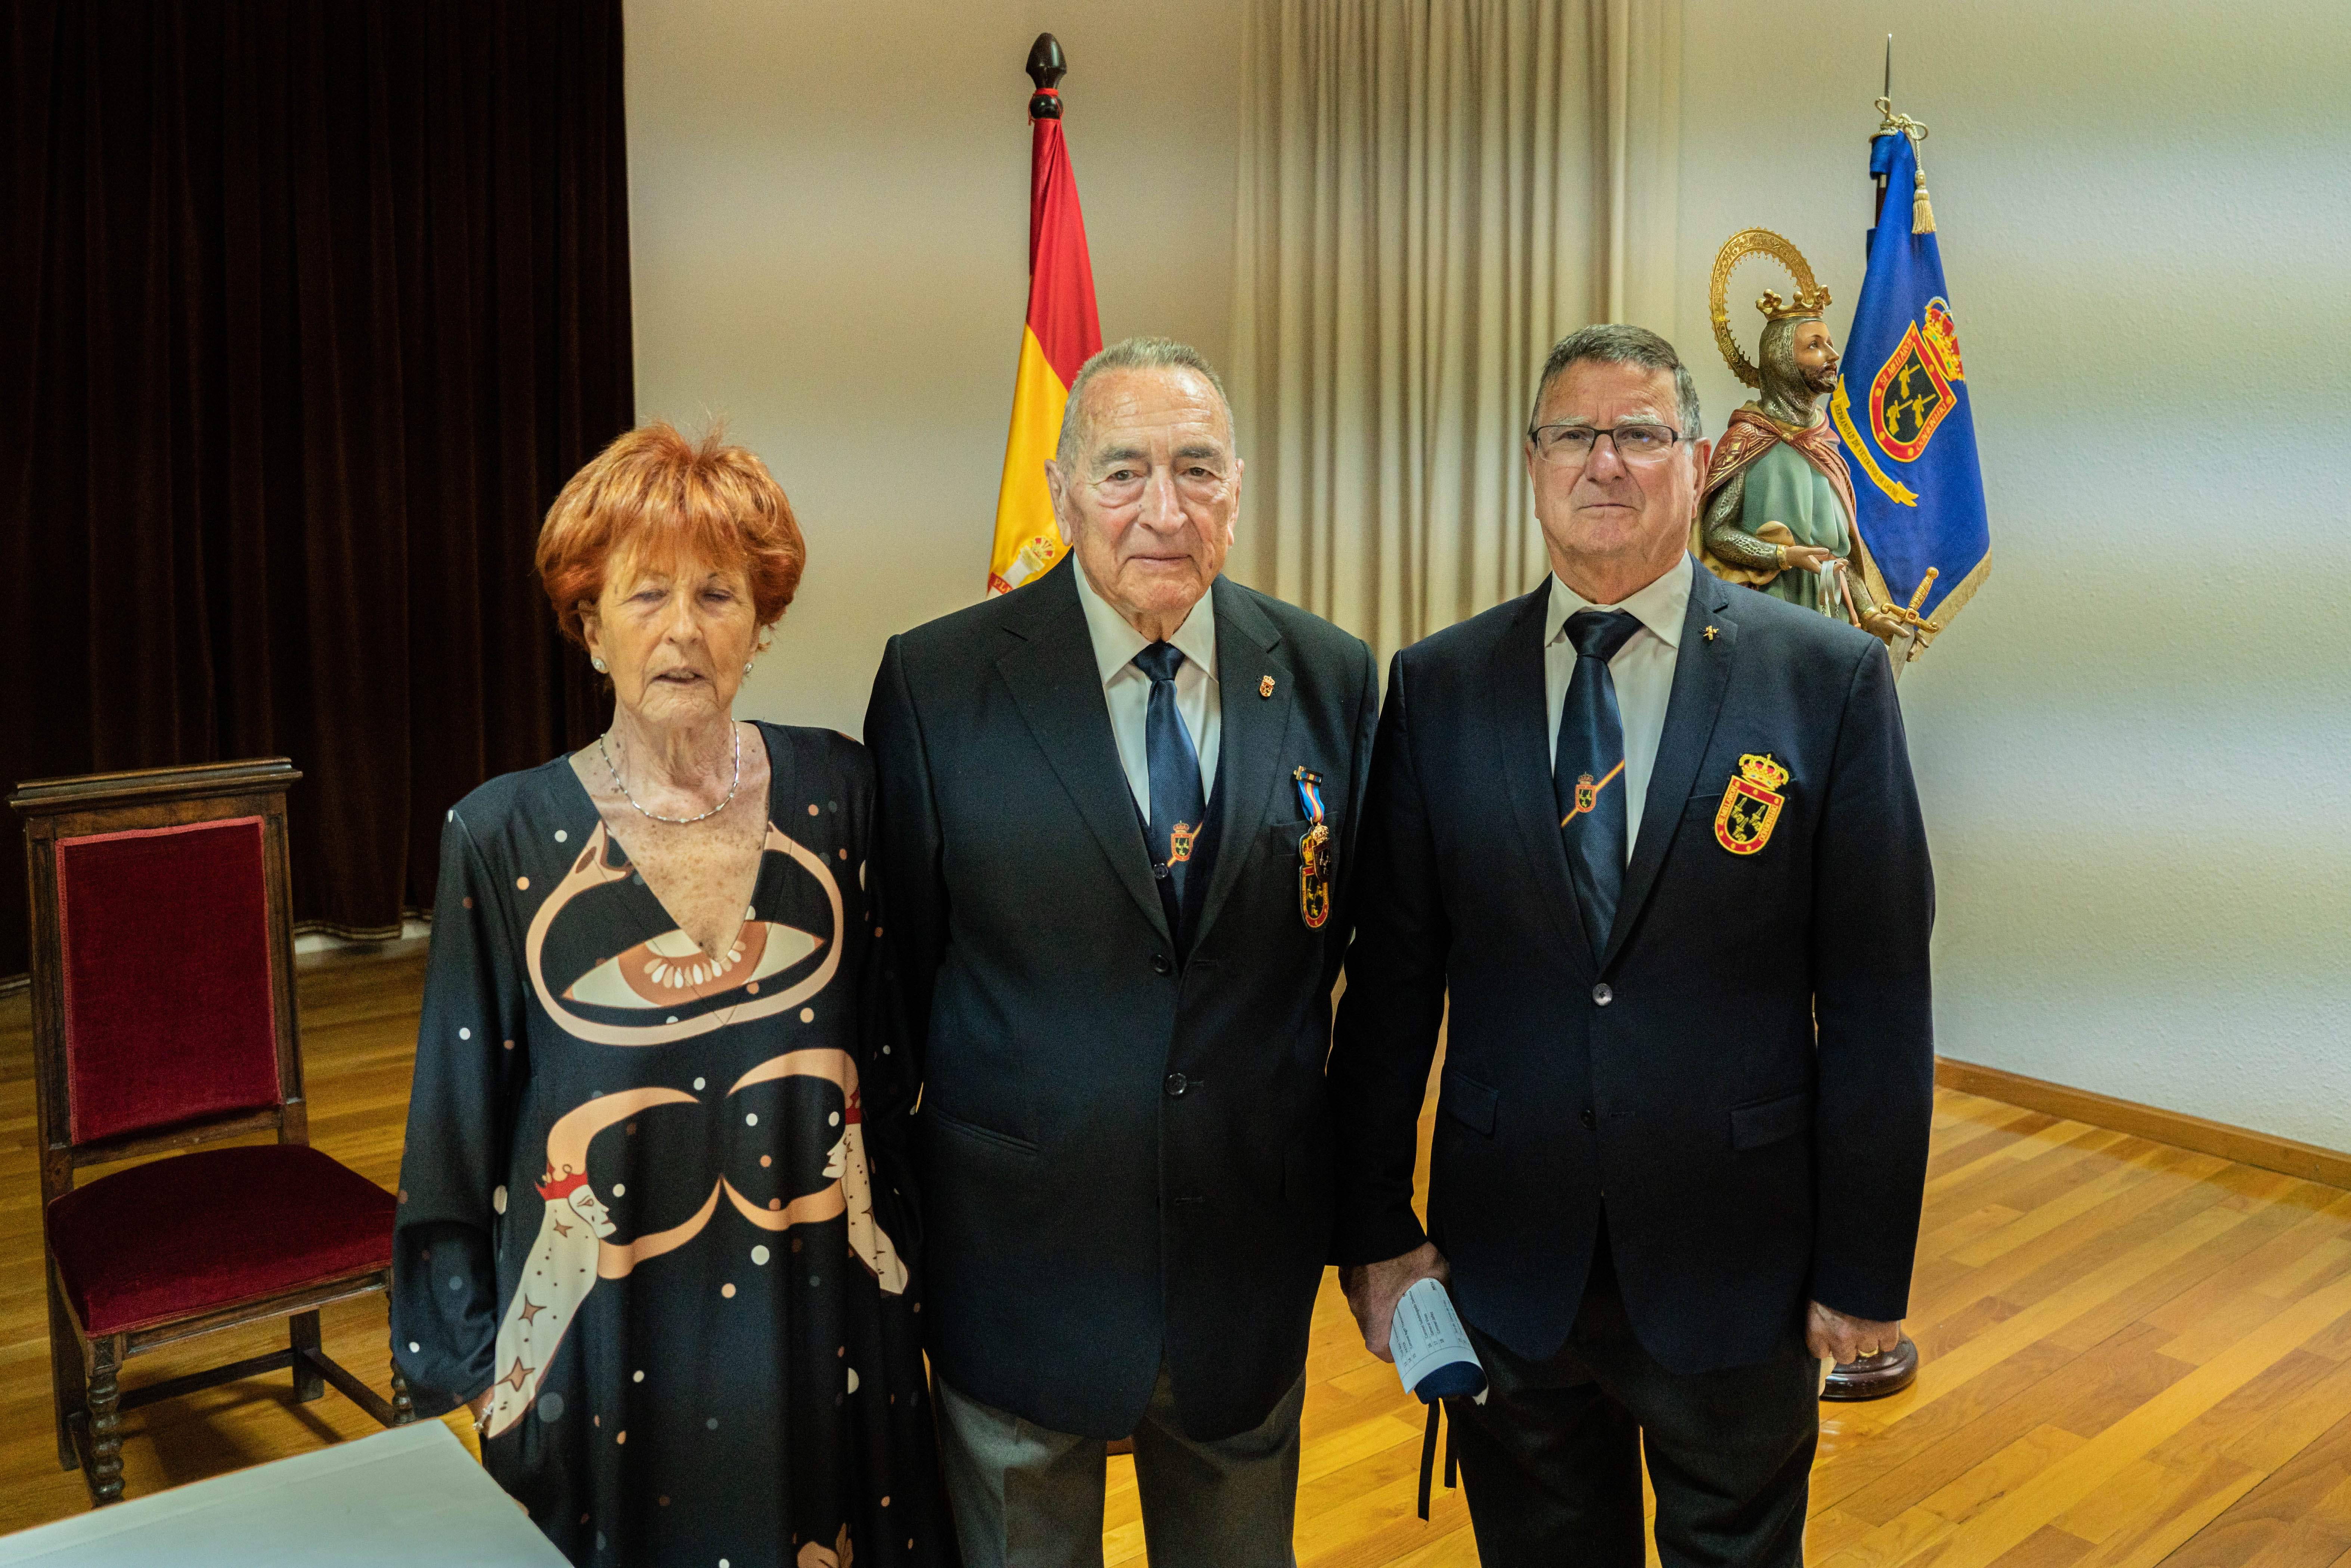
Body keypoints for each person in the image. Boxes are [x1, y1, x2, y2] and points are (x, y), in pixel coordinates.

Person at [1326, 325, 1935, 1566]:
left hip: (1738, 1266)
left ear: (1698, 462)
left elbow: (1878, 998)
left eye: (1641, 434)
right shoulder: (1440, 687)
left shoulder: (1827, 681)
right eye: (1573, 434)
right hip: (1508, 1266)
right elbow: (1391, 987)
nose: (1604, 462)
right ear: (1533, 464)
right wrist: (1377, 1230)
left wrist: (1865, 1268)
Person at [391, 422, 954, 1568]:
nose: (683, 629)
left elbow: (892, 1074)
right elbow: (455, 1127)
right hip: (603, 1355)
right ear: (590, 627)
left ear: (763, 622)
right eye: (646, 594)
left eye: (718, 594)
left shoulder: (842, 793)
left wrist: (911, 1280)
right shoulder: (500, 837)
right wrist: (479, 1370)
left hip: (825, 1329)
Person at [865, 337, 1378, 1568]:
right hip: (1017, 1264)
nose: (1164, 509)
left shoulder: (1330, 675)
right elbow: (894, 997)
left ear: (1238, 489)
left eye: (1197, 469)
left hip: (1242, 1274)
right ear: (1062, 492)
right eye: (1124, 471)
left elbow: (1345, 960)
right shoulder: (939, 683)